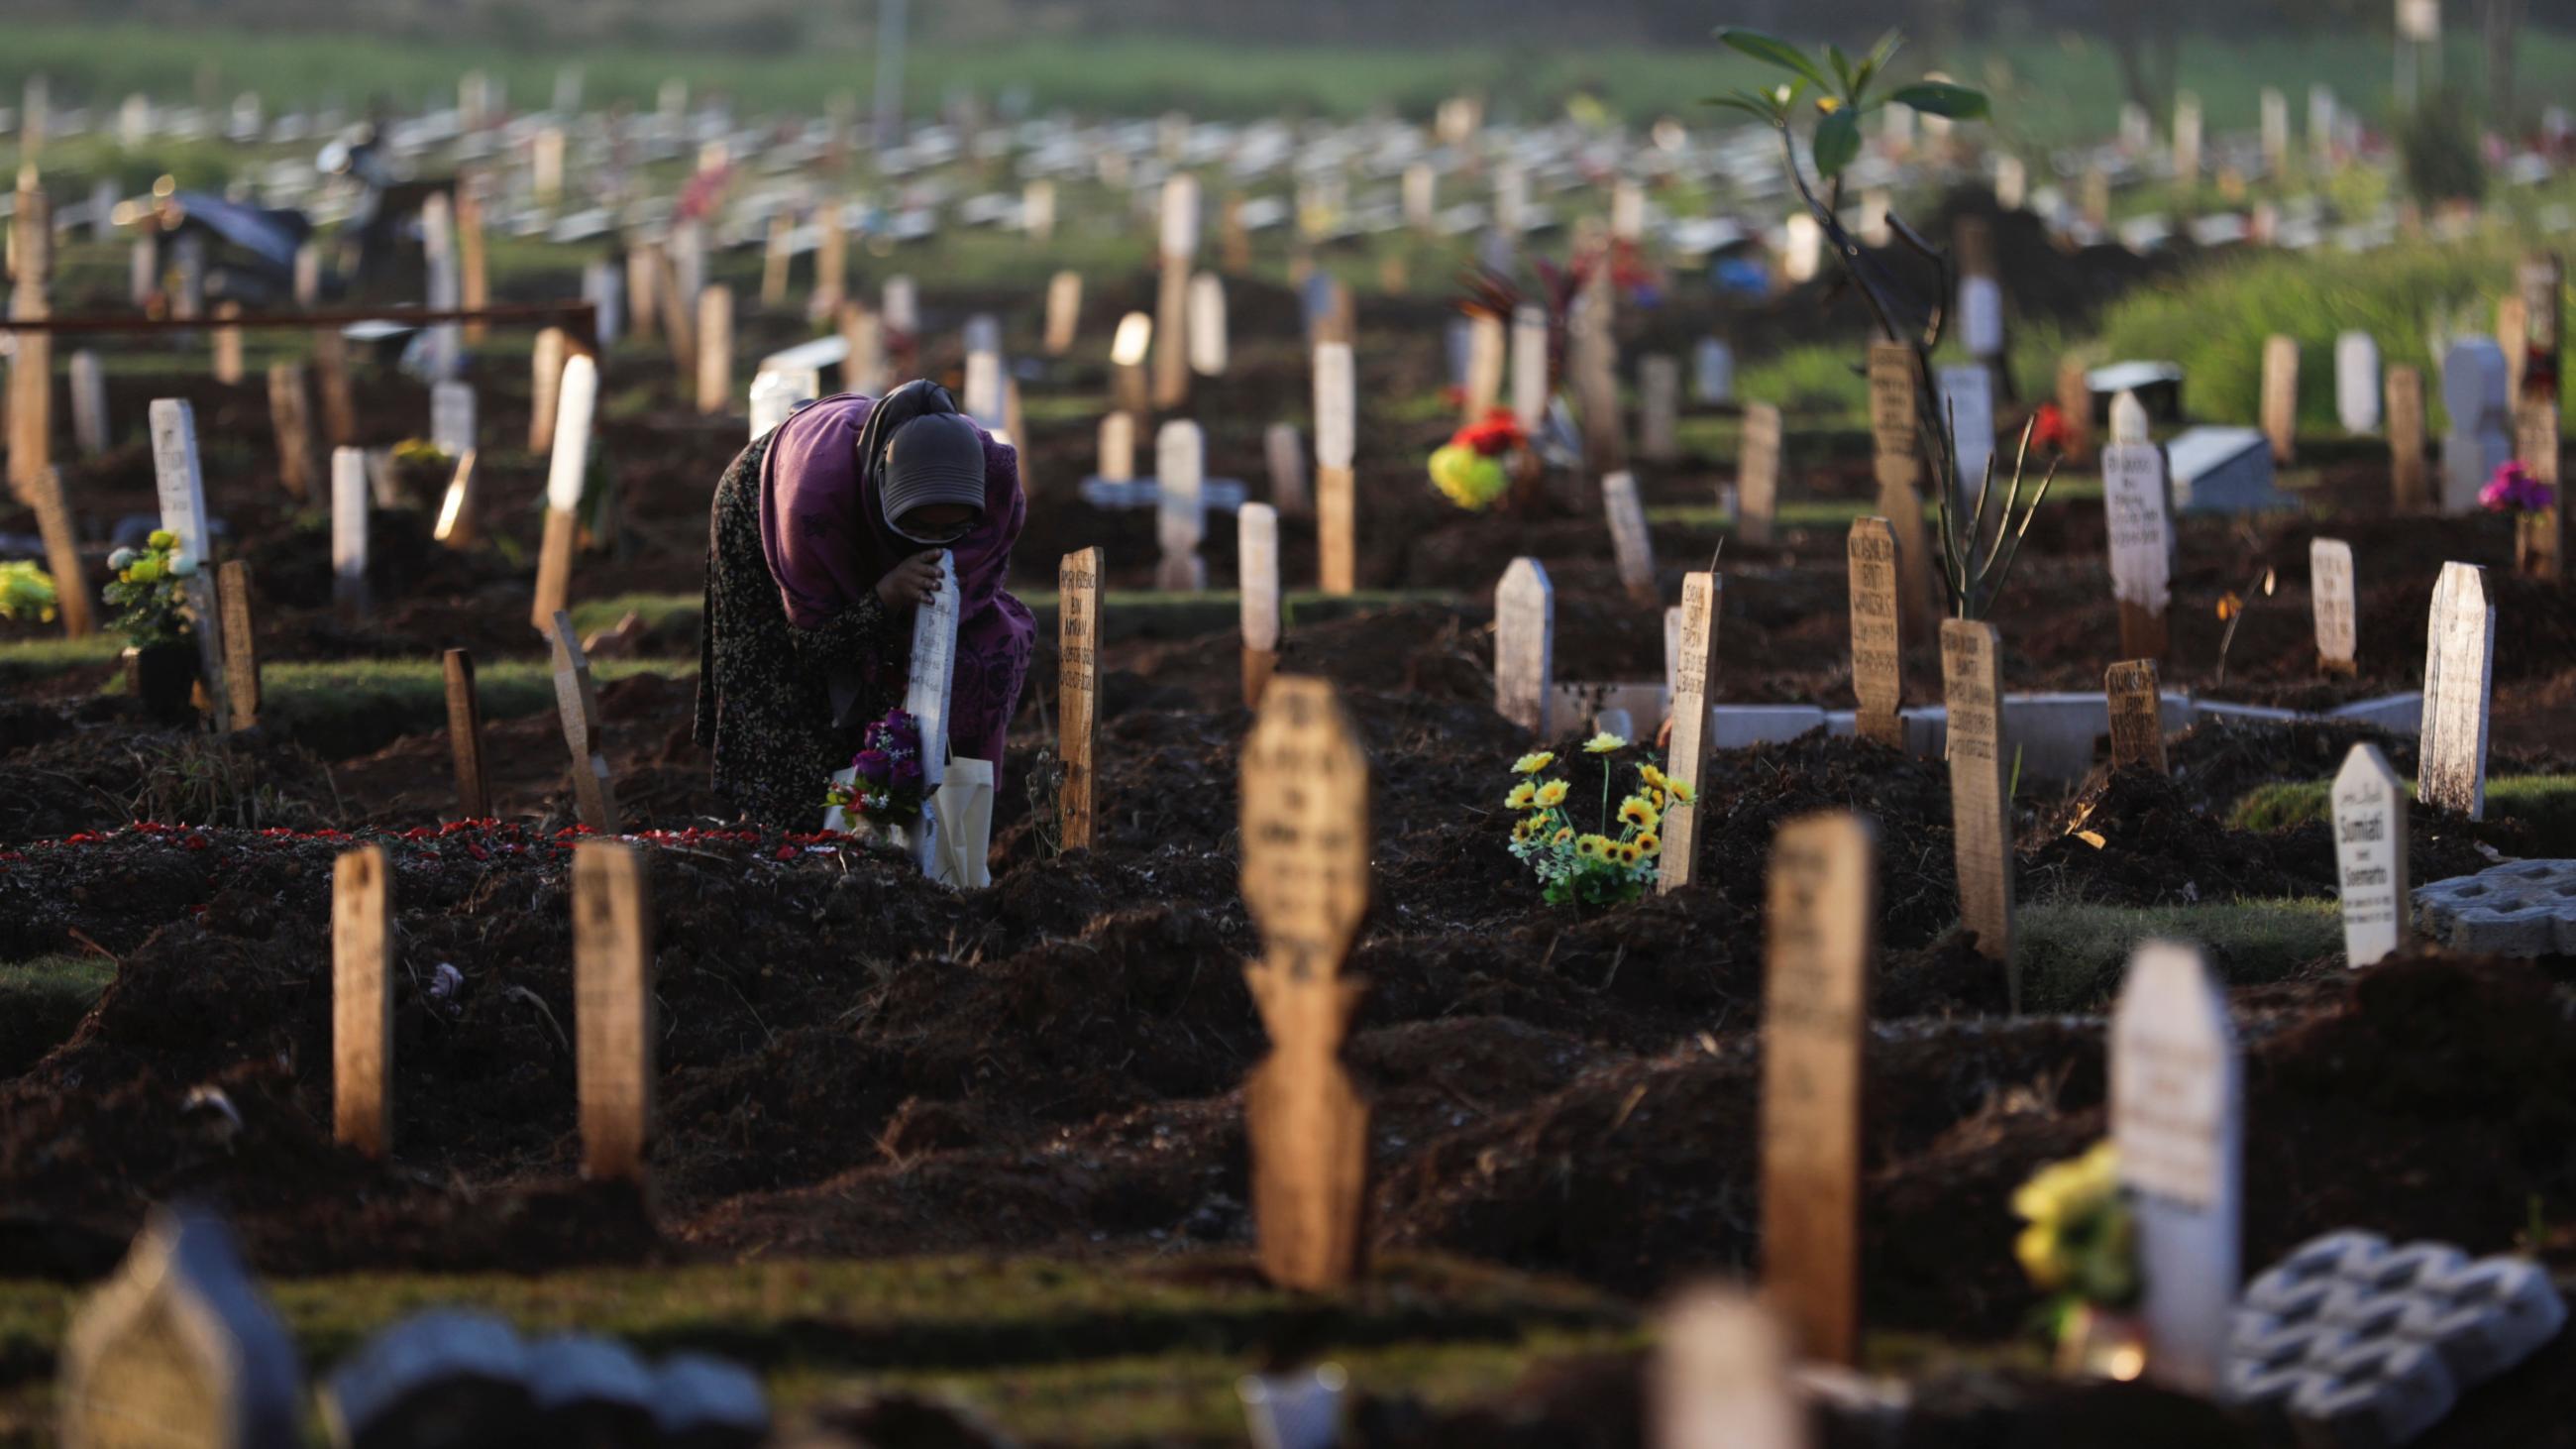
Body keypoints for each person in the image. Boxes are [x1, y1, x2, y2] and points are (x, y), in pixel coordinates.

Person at [695, 381, 1033, 828]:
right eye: (918, 529)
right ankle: (778, 828)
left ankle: (877, 814)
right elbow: (814, 642)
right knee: (782, 685)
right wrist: (885, 595)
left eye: (947, 532)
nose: (933, 543)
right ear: (884, 497)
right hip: (766, 508)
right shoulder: (812, 502)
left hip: (858, 500)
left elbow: (969, 591)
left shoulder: (995, 483)